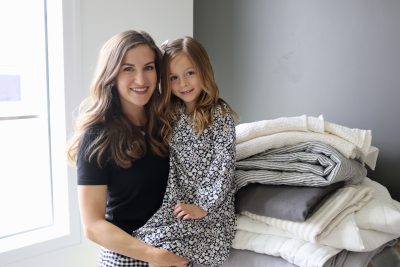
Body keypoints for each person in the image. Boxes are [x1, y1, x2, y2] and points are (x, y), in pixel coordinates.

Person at [66, 30, 189, 267]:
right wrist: (154, 256)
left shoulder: (170, 122)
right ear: (111, 75)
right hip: (129, 255)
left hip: (175, 249)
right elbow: (93, 226)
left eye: (149, 67)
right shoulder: (96, 137)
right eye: (128, 69)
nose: (141, 80)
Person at [133, 36, 237, 267]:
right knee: (149, 246)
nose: (183, 83)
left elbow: (223, 166)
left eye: (190, 73)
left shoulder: (219, 115)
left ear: (203, 70)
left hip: (210, 210)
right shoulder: (168, 113)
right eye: (174, 77)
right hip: (174, 204)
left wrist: (204, 206)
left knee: (169, 254)